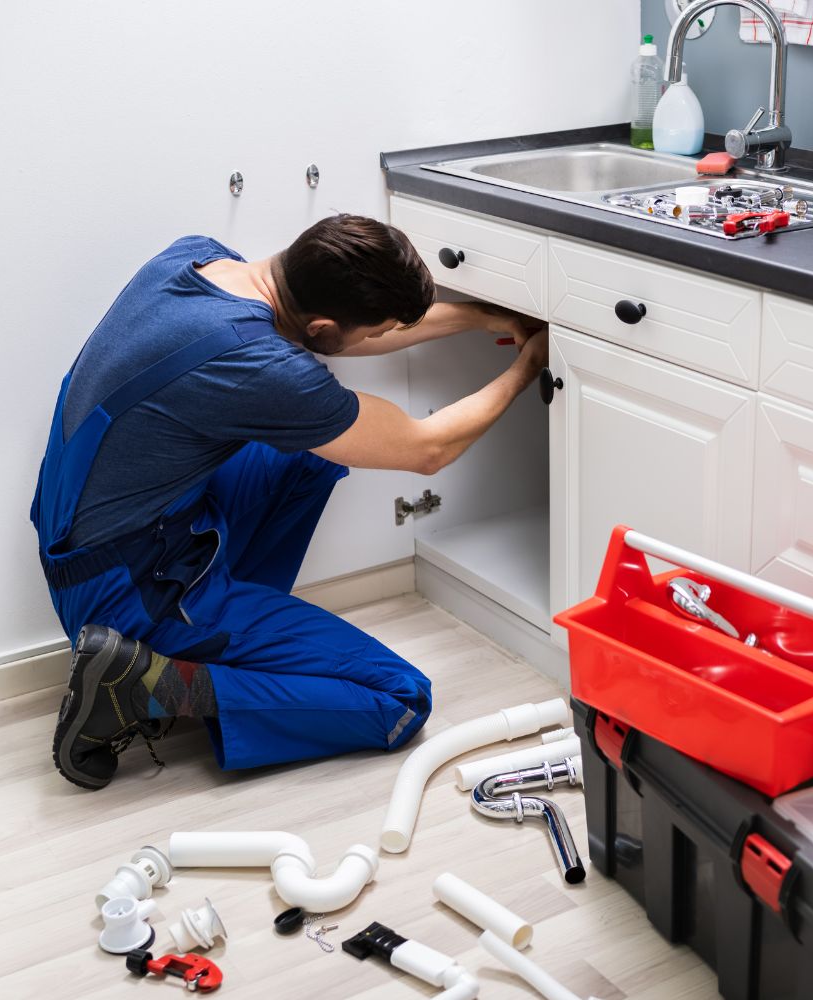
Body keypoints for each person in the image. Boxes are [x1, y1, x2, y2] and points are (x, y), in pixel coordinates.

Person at [32, 215, 547, 790]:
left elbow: (331, 343)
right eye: (370, 335)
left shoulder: (196, 261)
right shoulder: (258, 367)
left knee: (307, 451)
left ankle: (225, 640)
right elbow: (429, 449)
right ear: (323, 324)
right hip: (128, 590)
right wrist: (530, 364)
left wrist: (482, 317)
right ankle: (149, 684)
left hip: (93, 536)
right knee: (398, 699)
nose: (373, 343)